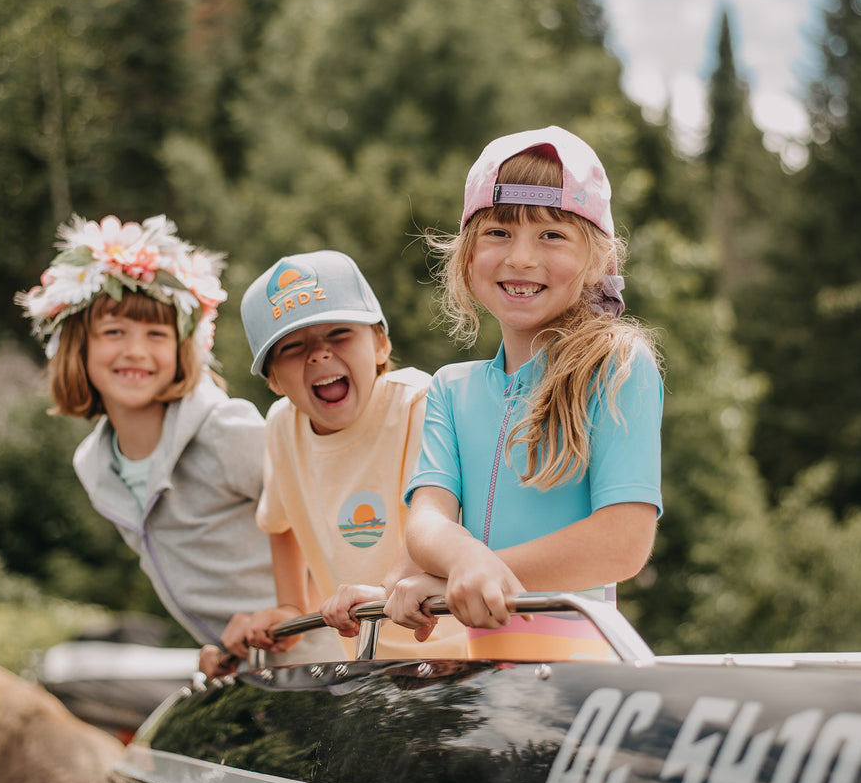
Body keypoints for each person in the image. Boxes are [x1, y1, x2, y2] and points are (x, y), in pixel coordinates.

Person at [386, 126, 663, 660]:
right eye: (497, 233)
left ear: (600, 260)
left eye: (552, 235)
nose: (521, 258)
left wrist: (465, 576)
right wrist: (460, 564)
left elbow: (623, 542)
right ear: (467, 255)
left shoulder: (616, 365)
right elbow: (426, 522)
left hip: (581, 684)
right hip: (483, 691)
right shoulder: (450, 388)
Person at [16, 213, 279, 652]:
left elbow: (318, 521)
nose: (135, 351)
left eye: (156, 334)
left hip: (322, 658)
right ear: (77, 346)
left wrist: (289, 613)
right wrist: (219, 645)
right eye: (114, 332)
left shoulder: (226, 429)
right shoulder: (94, 466)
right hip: (249, 669)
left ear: (183, 348)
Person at [196, 250, 465, 677]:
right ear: (274, 380)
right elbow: (278, 523)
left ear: (380, 344)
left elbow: (440, 519)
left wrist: (384, 590)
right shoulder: (282, 426)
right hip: (368, 663)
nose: (319, 356)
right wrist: (289, 604)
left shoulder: (418, 402)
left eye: (339, 334)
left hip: (457, 653)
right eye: (292, 347)